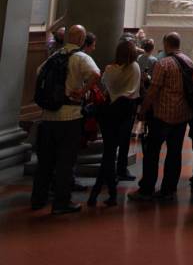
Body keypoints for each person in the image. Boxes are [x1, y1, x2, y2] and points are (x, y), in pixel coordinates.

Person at [31, 24, 100, 215]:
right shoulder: (80, 57)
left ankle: (38, 199)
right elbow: (96, 74)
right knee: (65, 161)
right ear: (81, 39)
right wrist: (82, 91)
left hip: (48, 116)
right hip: (69, 116)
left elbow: (38, 73)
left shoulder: (54, 56)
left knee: (44, 162)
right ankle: (61, 202)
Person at [129, 32, 192, 202]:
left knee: (152, 153)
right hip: (182, 115)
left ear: (166, 44)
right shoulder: (188, 61)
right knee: (174, 153)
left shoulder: (163, 63)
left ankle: (147, 188)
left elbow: (153, 90)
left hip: (162, 115)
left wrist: (143, 110)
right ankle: (169, 189)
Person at [88, 38, 141, 206]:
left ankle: (101, 192)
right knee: (109, 154)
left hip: (109, 112)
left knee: (109, 153)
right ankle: (102, 192)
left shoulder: (110, 69)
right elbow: (134, 90)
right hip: (124, 113)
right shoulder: (134, 68)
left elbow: (104, 84)